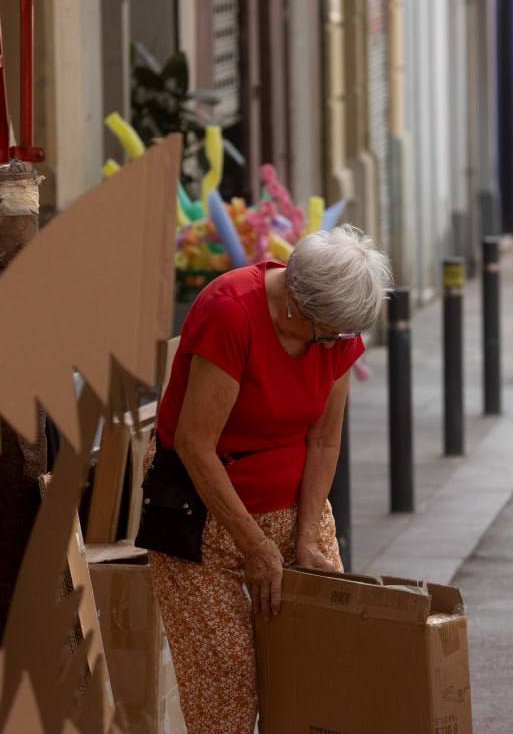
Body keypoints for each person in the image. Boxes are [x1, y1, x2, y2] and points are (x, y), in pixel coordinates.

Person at [147, 225, 392, 733]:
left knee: (315, 670)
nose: (336, 345)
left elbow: (324, 440)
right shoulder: (230, 311)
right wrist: (256, 546)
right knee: (226, 682)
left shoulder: (335, 327)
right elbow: (195, 443)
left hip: (292, 504)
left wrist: (305, 535)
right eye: (328, 332)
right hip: (201, 516)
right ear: (295, 306)